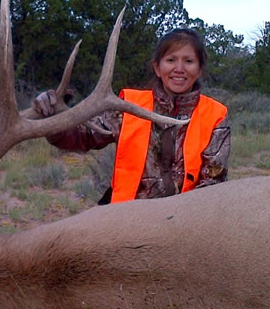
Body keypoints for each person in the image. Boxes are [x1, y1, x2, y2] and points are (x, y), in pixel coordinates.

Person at [33, 28, 231, 204]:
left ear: (199, 69)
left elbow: (213, 181)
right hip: (126, 217)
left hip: (185, 220)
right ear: (157, 68)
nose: (179, 69)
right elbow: (82, 137)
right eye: (171, 60)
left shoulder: (214, 116)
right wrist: (53, 116)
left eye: (188, 61)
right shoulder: (129, 106)